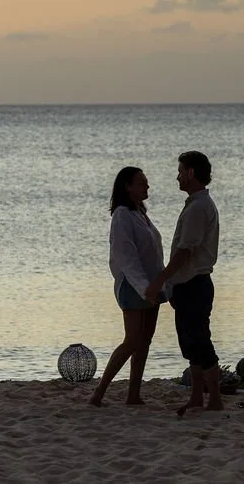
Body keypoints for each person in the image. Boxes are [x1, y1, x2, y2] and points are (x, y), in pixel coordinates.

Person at [146, 151, 222, 413]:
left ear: (191, 173)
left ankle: (214, 399)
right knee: (189, 342)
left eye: (180, 171)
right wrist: (173, 285)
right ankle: (197, 397)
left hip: (196, 284)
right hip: (187, 284)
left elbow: (185, 251)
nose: (177, 176)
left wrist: (161, 279)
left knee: (200, 341)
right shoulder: (195, 204)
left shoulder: (200, 207)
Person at [90, 166, 165, 407]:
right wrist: (145, 288)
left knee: (145, 341)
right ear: (128, 187)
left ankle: (133, 393)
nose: (147, 186)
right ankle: (99, 391)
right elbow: (126, 257)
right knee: (132, 339)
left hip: (152, 284)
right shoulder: (122, 215)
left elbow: (152, 254)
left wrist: (162, 284)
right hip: (133, 286)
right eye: (142, 182)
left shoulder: (140, 213)